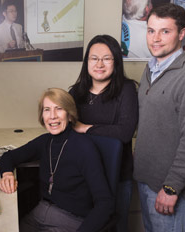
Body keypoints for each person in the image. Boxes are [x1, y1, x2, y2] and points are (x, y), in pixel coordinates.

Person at [134, 3, 185, 232]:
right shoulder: (151, 69)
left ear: (182, 33)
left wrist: (171, 188)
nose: (155, 38)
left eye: (165, 31)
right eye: (151, 30)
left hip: (169, 188)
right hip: (147, 180)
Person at [0, 88, 114, 232]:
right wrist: (7, 173)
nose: (52, 116)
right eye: (47, 109)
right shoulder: (46, 141)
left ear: (70, 115)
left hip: (70, 221)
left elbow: (105, 203)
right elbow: (9, 156)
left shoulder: (84, 148)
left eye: (59, 109)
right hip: (39, 214)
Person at [69, 34, 138, 232]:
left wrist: (85, 127)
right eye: (94, 58)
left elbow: (125, 132)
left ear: (115, 62)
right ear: (87, 62)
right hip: (84, 175)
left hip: (118, 175)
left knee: (116, 225)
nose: (99, 64)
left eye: (106, 58)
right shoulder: (76, 92)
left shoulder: (126, 90)